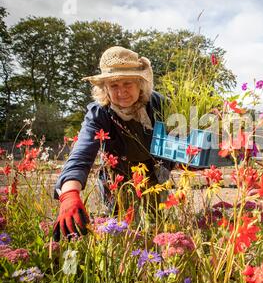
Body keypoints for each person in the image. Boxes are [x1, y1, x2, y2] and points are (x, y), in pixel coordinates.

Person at [53, 46, 173, 241]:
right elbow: (81, 156)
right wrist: (69, 194)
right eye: (114, 85)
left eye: (127, 83)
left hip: (155, 177)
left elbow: (183, 138)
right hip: (117, 182)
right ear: (104, 88)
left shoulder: (160, 105)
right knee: (120, 233)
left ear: (140, 84)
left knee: (156, 228)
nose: (121, 92)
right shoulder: (99, 113)